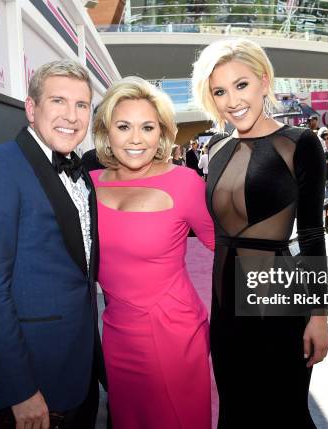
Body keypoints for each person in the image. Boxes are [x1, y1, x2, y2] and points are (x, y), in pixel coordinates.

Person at [192, 38, 328, 428]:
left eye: (242, 84)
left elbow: (312, 234)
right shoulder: (216, 148)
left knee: (284, 413)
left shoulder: (299, 143)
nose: (232, 100)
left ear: (264, 82)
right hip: (226, 312)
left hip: (279, 306)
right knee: (236, 413)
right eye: (219, 91)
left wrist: (318, 314)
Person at [0, 60, 104, 429]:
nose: (71, 116)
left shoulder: (82, 176)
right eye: (58, 101)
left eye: (81, 105)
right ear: (31, 108)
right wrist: (18, 390)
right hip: (32, 382)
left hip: (80, 369)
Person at [90, 76, 215, 429]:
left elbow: (228, 248)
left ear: (161, 133)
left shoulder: (185, 183)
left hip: (173, 334)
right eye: (124, 126)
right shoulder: (90, 183)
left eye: (147, 127)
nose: (135, 139)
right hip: (115, 333)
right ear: (105, 131)